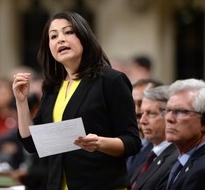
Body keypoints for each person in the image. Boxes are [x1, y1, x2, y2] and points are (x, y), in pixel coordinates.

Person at [12, 11, 141, 189]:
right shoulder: (53, 88)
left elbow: (132, 141)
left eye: (69, 32)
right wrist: (21, 101)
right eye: (53, 36)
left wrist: (99, 143)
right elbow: (32, 143)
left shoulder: (110, 80)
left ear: (84, 37)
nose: (61, 39)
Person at [130, 85, 178, 190]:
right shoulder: (150, 155)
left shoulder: (177, 159)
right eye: (142, 113)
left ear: (169, 116)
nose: (142, 120)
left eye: (151, 113)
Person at [163, 78, 205, 190]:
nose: (169, 118)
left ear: (203, 122)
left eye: (181, 111)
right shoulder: (180, 159)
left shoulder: (201, 170)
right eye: (167, 110)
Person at [126, 78, 163, 176]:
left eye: (142, 103)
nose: (137, 111)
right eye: (132, 103)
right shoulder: (129, 141)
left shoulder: (161, 148)